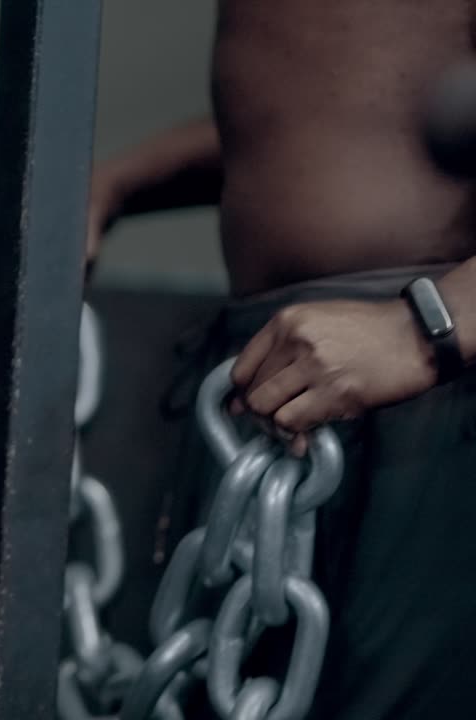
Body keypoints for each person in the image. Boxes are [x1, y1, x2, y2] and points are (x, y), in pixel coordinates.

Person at [88, 4, 476, 719]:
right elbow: (340, 114)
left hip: (424, 382)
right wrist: (118, 180)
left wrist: (425, 330)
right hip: (292, 374)